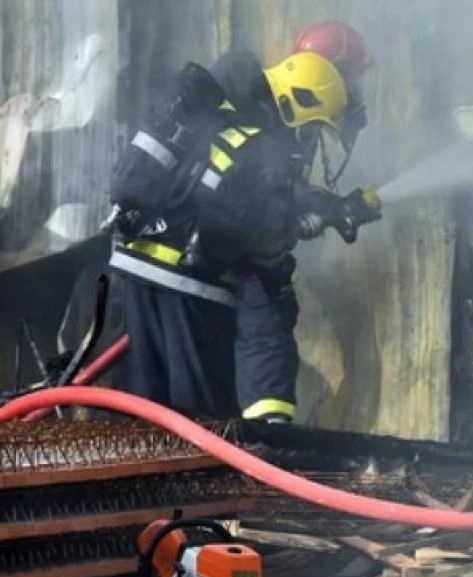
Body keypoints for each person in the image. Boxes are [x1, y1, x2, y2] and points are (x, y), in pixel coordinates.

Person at [104, 50, 353, 418]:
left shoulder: (222, 120)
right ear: (295, 103)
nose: (307, 142)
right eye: (311, 128)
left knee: (139, 416)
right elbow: (265, 266)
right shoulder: (265, 157)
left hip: (130, 270)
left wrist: (319, 207)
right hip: (191, 292)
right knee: (197, 425)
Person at [230, 21, 380, 423]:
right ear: (330, 71)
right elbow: (265, 191)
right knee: (265, 335)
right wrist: (310, 216)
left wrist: (332, 208)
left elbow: (288, 188)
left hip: (240, 251)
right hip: (236, 259)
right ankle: (267, 435)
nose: (355, 92)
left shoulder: (298, 118)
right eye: (352, 78)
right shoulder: (282, 113)